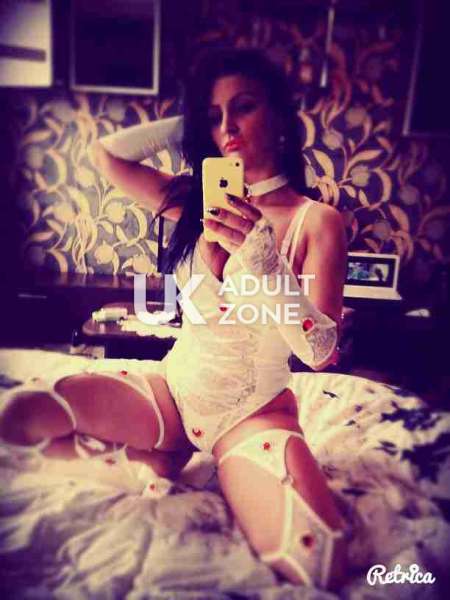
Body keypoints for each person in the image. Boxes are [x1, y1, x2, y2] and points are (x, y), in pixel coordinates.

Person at [0, 48, 350, 591]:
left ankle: (185, 465)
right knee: (20, 415)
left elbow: (321, 352)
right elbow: (107, 155)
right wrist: (190, 125)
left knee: (317, 559)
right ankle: (158, 458)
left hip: (252, 415)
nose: (227, 126)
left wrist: (266, 264)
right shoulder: (192, 200)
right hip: (174, 391)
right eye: (213, 115)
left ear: (281, 116)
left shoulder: (317, 221)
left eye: (244, 107)